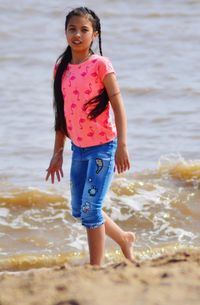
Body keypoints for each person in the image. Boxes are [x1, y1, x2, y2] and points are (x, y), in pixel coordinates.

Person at [46, 7, 135, 266]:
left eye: (84, 29)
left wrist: (123, 146)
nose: (77, 34)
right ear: (65, 32)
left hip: (104, 148)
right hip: (80, 148)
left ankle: (96, 268)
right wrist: (57, 152)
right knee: (80, 209)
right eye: (72, 29)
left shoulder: (101, 65)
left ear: (94, 34)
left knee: (91, 210)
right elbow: (60, 113)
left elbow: (119, 107)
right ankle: (124, 238)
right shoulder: (60, 68)